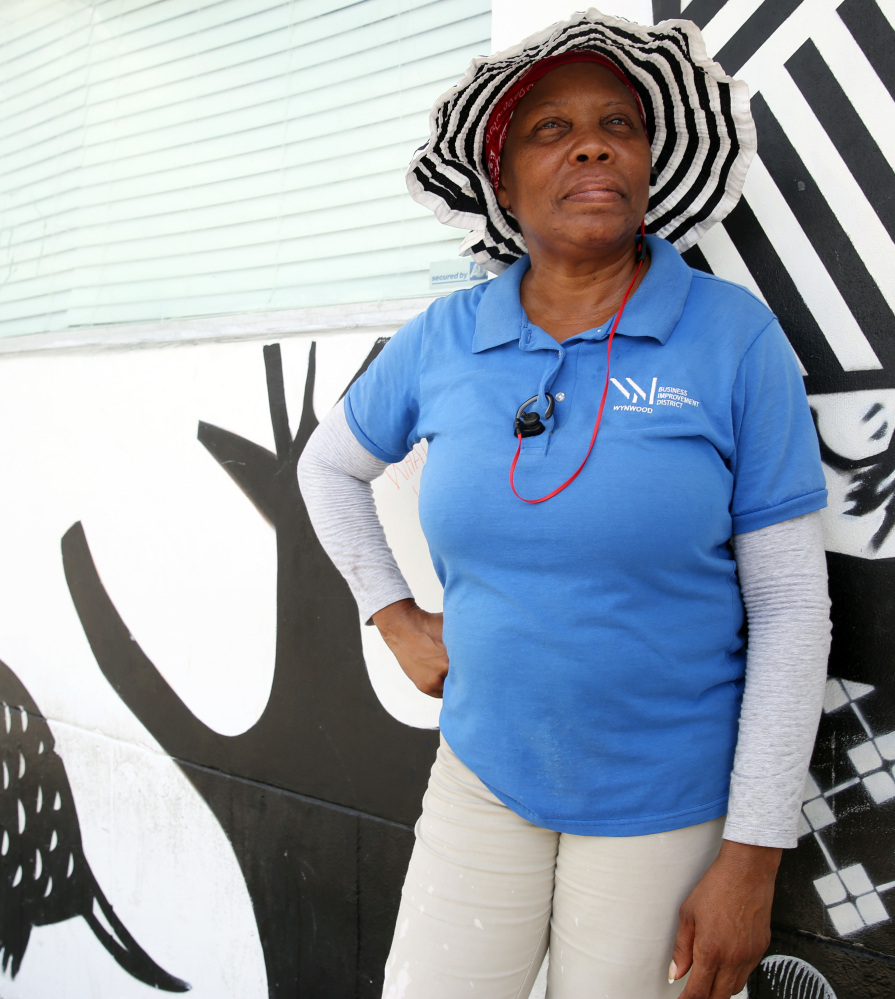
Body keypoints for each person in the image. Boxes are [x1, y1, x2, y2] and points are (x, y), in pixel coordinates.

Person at [298, 9, 831, 998]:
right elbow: (327, 468)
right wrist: (393, 613)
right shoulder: (446, 336)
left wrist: (753, 854)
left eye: (617, 123)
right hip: (482, 777)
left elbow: (793, 609)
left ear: (647, 161)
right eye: (550, 127)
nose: (590, 141)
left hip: (664, 803)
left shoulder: (729, 337)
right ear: (500, 182)